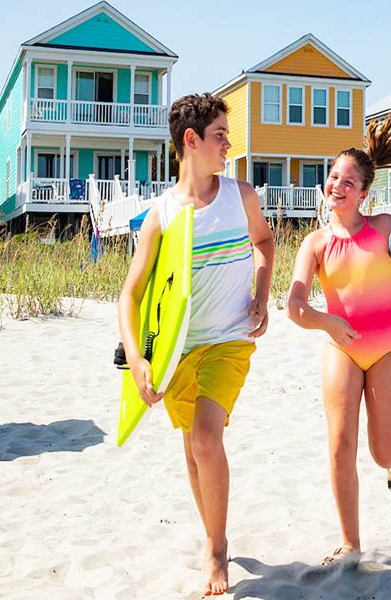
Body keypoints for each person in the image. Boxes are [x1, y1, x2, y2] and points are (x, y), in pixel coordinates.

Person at [117, 93, 274, 594]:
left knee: (206, 436)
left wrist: (262, 293)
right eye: (221, 136)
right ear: (192, 140)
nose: (229, 144)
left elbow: (265, 243)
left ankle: (218, 550)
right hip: (179, 351)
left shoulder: (240, 196)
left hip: (230, 340)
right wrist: (139, 359)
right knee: (192, 450)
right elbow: (131, 294)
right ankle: (212, 534)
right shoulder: (160, 215)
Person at [286, 111, 391, 565]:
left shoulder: (385, 228)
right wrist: (328, 323)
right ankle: (350, 543)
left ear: (364, 192)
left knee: (381, 455)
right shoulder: (315, 244)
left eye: (348, 181)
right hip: (340, 348)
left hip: (387, 350)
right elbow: (295, 306)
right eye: (332, 177)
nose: (337, 185)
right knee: (341, 444)